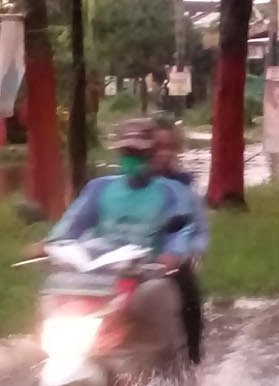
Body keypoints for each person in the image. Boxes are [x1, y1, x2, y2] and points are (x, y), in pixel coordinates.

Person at [50, 118, 209, 361]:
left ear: (151, 153)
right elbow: (73, 222)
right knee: (55, 292)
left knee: (171, 296)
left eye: (139, 152)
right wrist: (51, 243)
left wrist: (175, 254)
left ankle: (179, 365)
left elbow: (182, 229)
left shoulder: (173, 191)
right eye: (127, 152)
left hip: (148, 272)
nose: (133, 158)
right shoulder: (99, 188)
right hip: (105, 271)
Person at [151, 118, 209, 364]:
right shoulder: (123, 185)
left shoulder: (183, 186)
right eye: (157, 147)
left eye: (170, 147)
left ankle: (192, 362)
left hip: (171, 263)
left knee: (189, 301)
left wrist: (189, 252)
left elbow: (198, 229)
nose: (164, 154)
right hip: (127, 261)